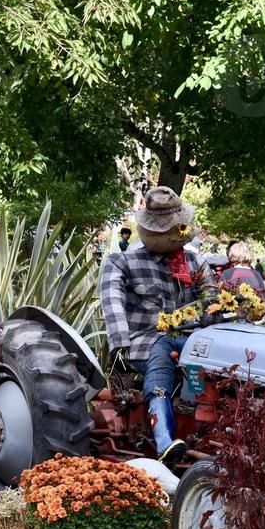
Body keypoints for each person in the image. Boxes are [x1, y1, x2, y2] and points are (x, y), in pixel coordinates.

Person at [99, 187, 206, 466]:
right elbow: (112, 301)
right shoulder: (122, 262)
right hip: (141, 341)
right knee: (162, 346)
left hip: (189, 340)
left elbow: (214, 298)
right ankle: (164, 441)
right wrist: (120, 342)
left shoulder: (194, 262)